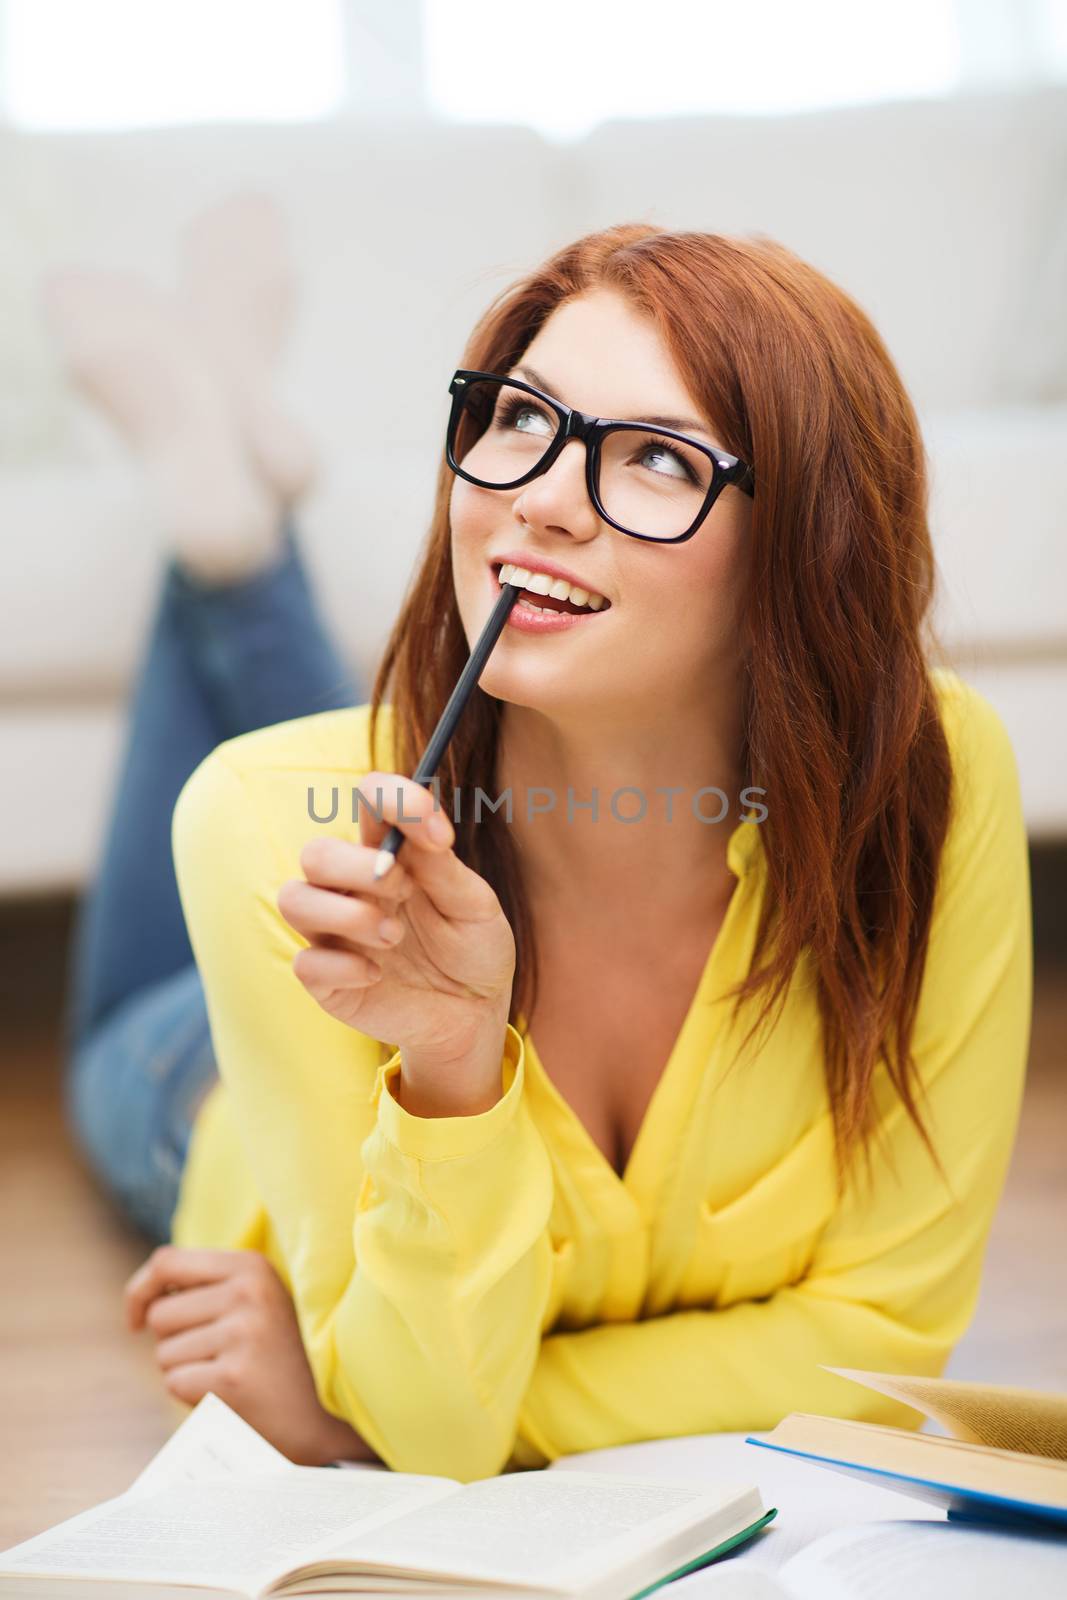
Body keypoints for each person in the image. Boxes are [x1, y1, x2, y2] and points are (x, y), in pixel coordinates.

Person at [85, 223, 1034, 1483]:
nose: (534, 498)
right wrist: (444, 1063)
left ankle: (226, 513)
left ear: (810, 540)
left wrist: (348, 1407)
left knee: (329, 723)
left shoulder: (927, 779)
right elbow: (436, 1432)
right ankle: (221, 534)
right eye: (519, 420)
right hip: (195, 1075)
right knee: (274, 805)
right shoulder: (266, 823)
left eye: (653, 458)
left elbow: (882, 1339)